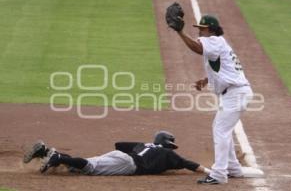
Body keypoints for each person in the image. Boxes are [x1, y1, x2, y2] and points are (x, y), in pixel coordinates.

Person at [172, 15, 253, 184]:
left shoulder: (215, 40)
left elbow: (197, 48)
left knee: (221, 130)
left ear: (211, 30)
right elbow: (225, 69)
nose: (199, 31)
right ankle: (233, 168)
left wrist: (180, 32)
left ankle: (219, 174)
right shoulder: (220, 44)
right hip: (236, 92)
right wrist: (205, 80)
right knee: (221, 128)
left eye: (202, 28)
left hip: (235, 93)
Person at [23, 131, 210, 176]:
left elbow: (119, 144)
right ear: (168, 145)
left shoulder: (143, 145)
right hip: (129, 165)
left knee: (86, 164)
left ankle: (46, 152)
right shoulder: (170, 155)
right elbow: (190, 165)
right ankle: (58, 158)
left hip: (121, 156)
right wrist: (210, 172)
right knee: (90, 167)